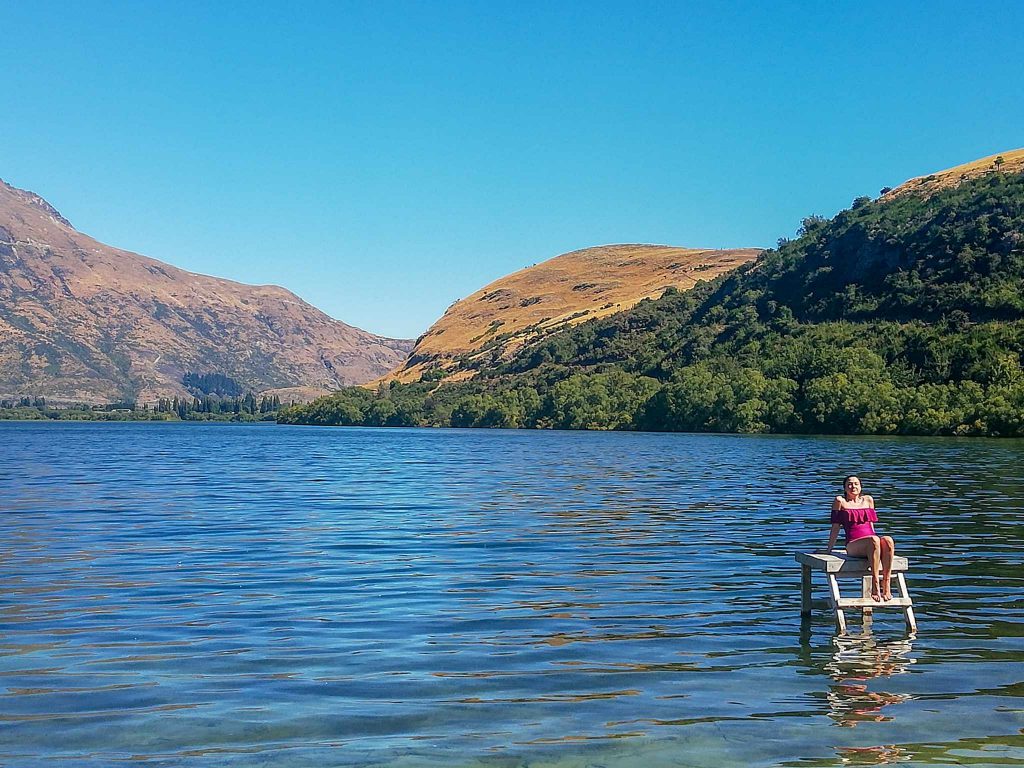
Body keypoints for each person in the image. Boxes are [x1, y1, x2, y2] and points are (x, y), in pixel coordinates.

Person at [823, 475, 896, 602]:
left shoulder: (868, 500)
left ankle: (886, 583)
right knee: (874, 540)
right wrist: (829, 549)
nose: (853, 487)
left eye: (856, 484)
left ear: (861, 486)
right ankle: (875, 583)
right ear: (845, 488)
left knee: (888, 539)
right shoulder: (840, 501)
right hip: (853, 545)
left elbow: (871, 525)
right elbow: (835, 527)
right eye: (849, 484)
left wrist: (878, 546)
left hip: (872, 543)